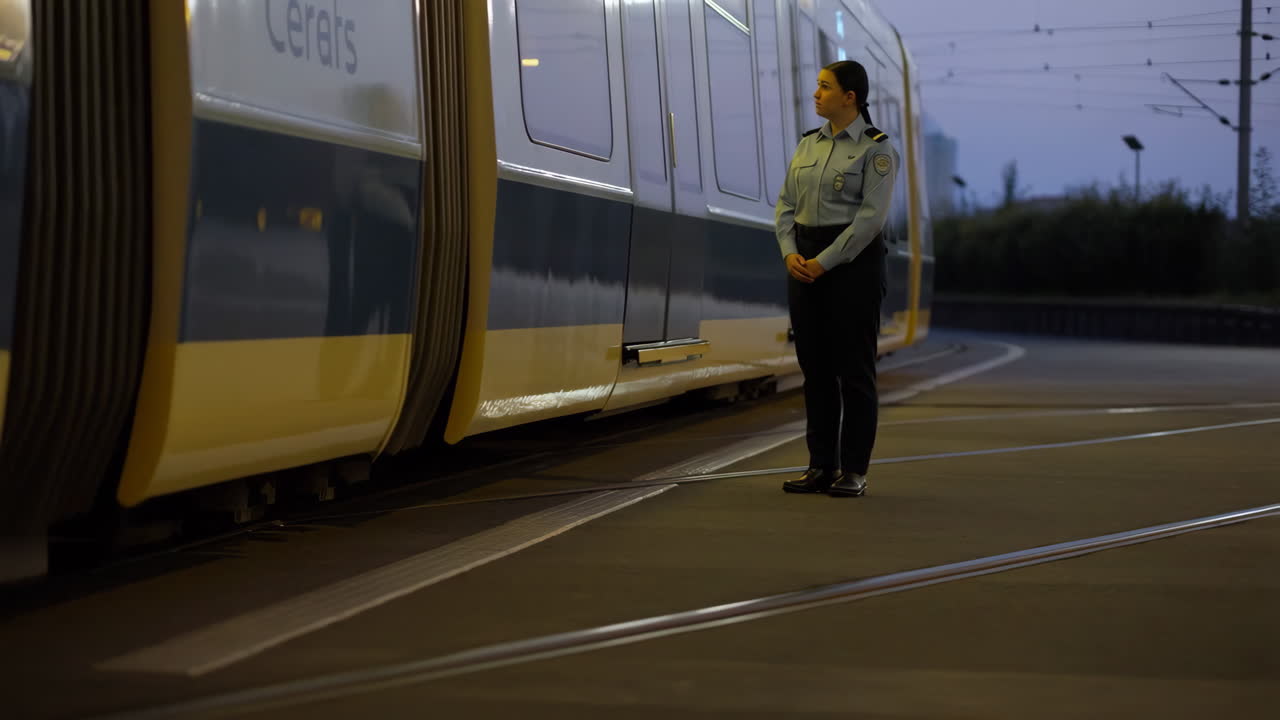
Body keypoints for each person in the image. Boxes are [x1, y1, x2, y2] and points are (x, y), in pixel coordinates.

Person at [775, 60, 899, 498]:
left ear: (850, 97)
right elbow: (786, 206)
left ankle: (854, 471)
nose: (816, 94)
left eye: (824, 87)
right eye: (817, 86)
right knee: (816, 371)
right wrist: (791, 253)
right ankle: (820, 465)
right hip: (805, 265)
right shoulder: (807, 145)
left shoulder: (877, 149)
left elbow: (868, 222)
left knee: (854, 373)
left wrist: (823, 262)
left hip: (852, 270)